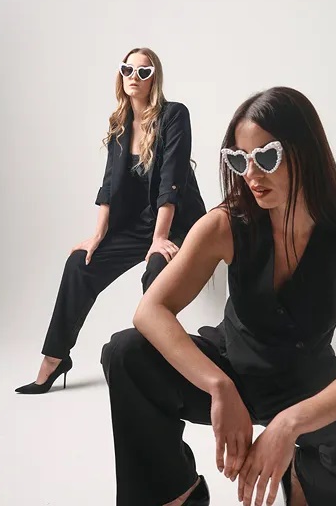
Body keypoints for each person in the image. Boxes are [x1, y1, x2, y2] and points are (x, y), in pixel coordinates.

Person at [101, 87, 336, 506]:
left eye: (267, 157)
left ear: (306, 152)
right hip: (233, 366)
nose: (251, 175)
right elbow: (150, 311)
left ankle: (305, 480)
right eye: (239, 160)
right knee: (126, 354)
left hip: (307, 385)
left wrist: (288, 425)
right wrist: (218, 385)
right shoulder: (225, 224)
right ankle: (177, 492)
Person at [15, 47, 206, 395]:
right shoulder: (119, 124)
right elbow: (109, 186)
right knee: (80, 263)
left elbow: (171, 182)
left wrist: (159, 239)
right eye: (127, 69)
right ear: (121, 75)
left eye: (144, 71)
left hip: (176, 223)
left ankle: (157, 363)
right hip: (136, 225)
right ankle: (55, 358)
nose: (134, 76)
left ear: (154, 78)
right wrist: (97, 236)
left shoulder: (174, 115)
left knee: (156, 269)